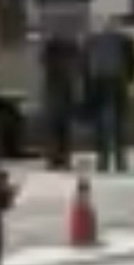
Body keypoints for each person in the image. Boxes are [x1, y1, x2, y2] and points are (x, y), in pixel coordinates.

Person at [83, 17, 134, 173]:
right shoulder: (125, 40)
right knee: (120, 121)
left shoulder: (92, 41)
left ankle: (103, 161)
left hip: (98, 83)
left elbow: (84, 65)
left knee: (101, 123)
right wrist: (129, 79)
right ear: (116, 26)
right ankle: (121, 160)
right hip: (118, 81)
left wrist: (87, 87)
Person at [38, 31, 83, 171]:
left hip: (53, 93)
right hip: (66, 93)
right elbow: (79, 68)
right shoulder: (72, 57)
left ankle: (53, 159)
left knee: (52, 127)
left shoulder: (50, 57)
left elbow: (42, 61)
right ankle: (64, 159)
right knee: (65, 128)